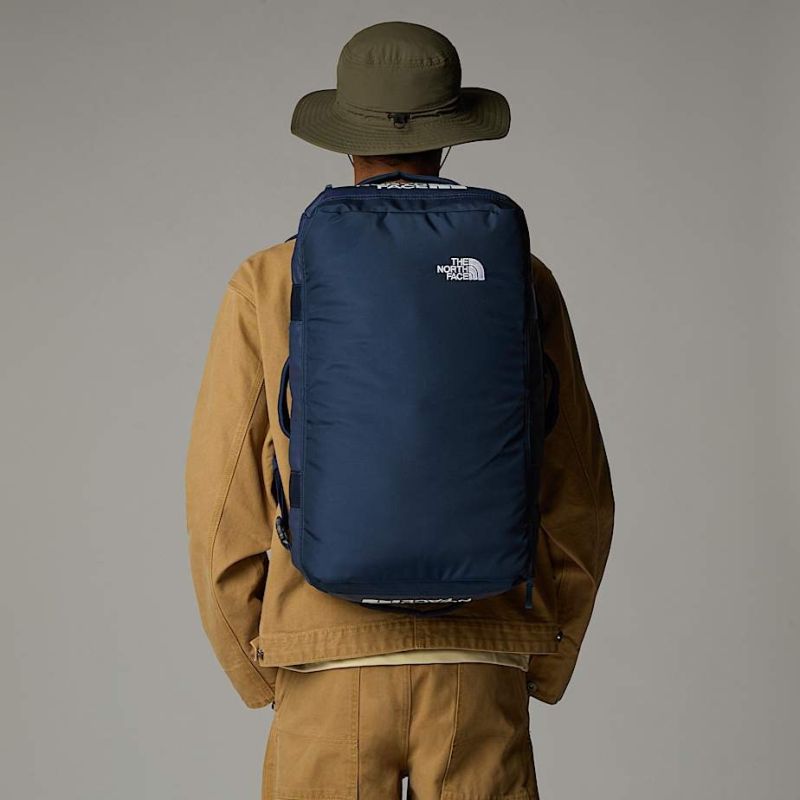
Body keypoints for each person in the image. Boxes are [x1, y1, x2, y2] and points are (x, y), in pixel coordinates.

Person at [186, 20, 614, 800]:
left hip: (323, 665)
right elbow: (577, 488)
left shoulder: (268, 280)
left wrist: (268, 659)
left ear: (345, 139)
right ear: (449, 139)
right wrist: (541, 651)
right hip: (479, 667)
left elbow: (220, 502)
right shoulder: (522, 277)